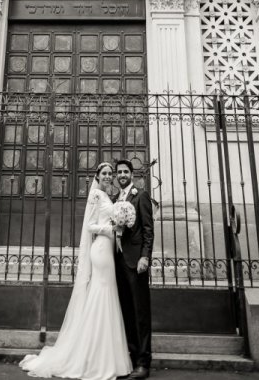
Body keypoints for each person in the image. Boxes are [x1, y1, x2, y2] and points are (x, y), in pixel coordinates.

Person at [19, 161, 132, 380]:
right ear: (97, 176)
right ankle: (95, 358)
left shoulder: (111, 197)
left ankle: (103, 355)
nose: (109, 176)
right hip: (100, 250)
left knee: (106, 296)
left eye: (111, 173)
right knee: (102, 295)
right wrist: (111, 228)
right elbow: (89, 226)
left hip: (108, 250)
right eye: (105, 173)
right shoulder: (96, 196)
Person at [113, 159, 154, 380]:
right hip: (117, 262)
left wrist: (145, 257)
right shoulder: (113, 198)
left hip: (135, 262)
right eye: (119, 172)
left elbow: (148, 229)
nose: (121, 175)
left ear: (132, 174)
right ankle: (130, 356)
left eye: (125, 171)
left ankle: (144, 362)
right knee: (126, 311)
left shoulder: (141, 196)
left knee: (140, 313)